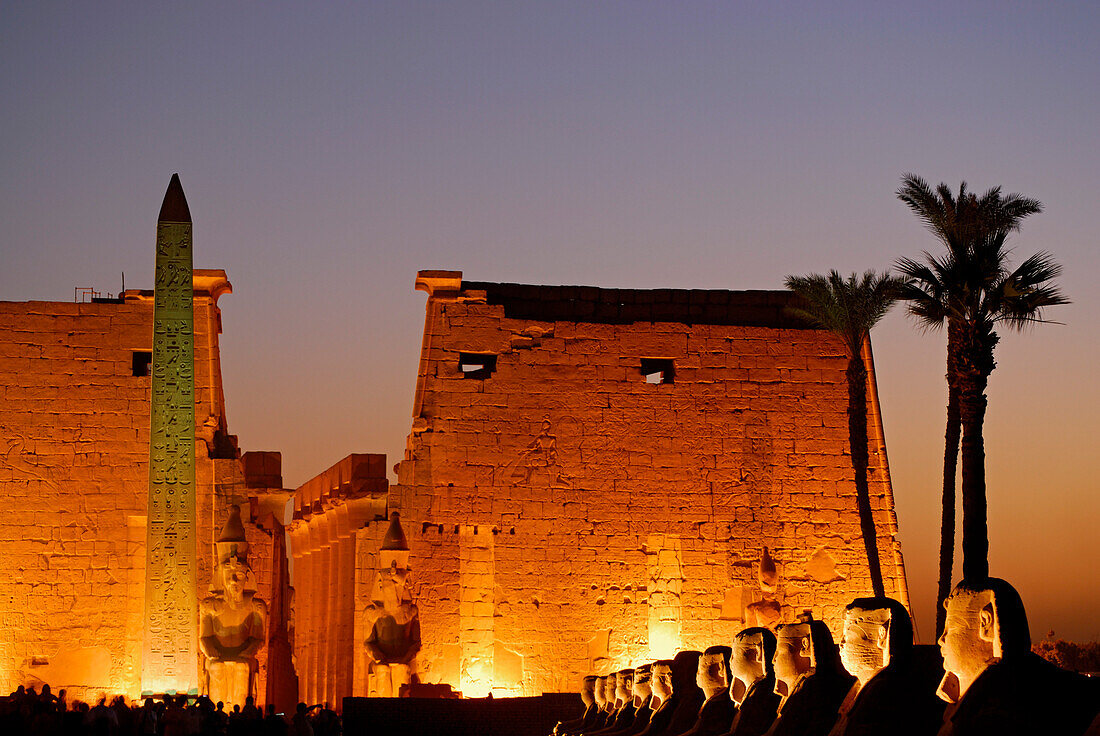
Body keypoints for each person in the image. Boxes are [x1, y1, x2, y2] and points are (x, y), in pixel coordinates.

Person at [828, 597, 942, 736]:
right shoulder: (860, 691)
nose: (842, 644)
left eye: (850, 635)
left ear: (882, 635)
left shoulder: (885, 698)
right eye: (843, 637)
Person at [200, 505, 267, 709]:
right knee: (217, 667)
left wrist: (247, 651)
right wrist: (211, 652)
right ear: (222, 576)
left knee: (241, 668)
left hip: (243, 654)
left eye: (239, 575)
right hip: (218, 654)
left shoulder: (255, 606)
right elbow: (205, 638)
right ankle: (218, 711)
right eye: (230, 576)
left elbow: (258, 638)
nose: (234, 581)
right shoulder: (210, 606)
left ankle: (238, 712)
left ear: (248, 576)